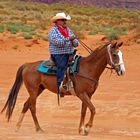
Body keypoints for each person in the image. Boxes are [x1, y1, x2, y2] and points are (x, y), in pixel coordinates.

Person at [48, 12, 78, 97]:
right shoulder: (53, 31)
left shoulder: (68, 30)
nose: (65, 22)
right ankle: (60, 86)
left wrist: (73, 40)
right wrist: (69, 39)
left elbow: (76, 44)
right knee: (62, 66)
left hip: (70, 53)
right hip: (58, 54)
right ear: (57, 21)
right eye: (62, 20)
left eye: (65, 20)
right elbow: (58, 43)